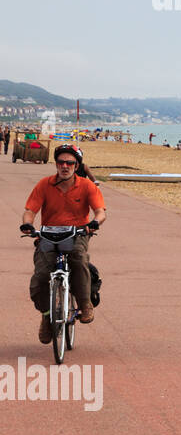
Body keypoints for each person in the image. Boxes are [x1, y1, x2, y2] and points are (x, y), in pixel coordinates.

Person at [20, 144, 107, 343]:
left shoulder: (87, 186)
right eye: (61, 162)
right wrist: (27, 224)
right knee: (41, 276)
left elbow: (100, 211)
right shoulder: (44, 184)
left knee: (78, 258)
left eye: (70, 163)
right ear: (56, 164)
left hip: (77, 233)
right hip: (48, 234)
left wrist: (95, 222)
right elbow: (30, 210)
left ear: (77, 166)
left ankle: (85, 304)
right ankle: (46, 315)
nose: (65, 166)